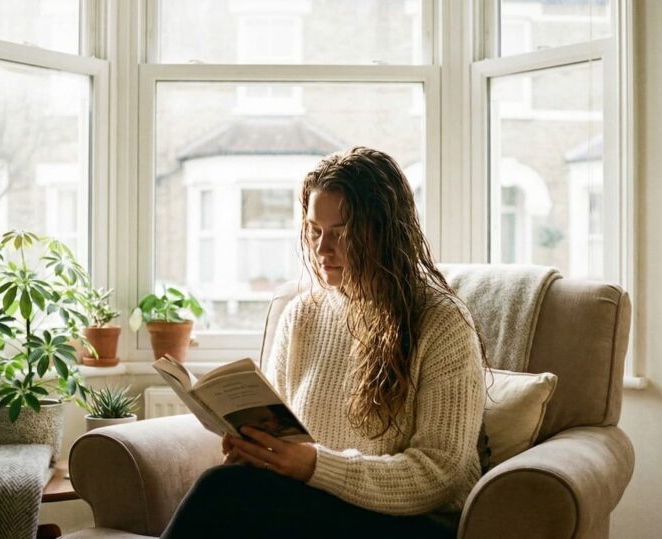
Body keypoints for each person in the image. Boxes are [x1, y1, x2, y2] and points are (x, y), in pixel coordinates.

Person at [160, 147, 486, 539]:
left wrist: (315, 466)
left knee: (222, 491)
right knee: (232, 489)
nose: (321, 248)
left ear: (383, 231)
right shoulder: (302, 315)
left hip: (414, 524)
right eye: (315, 230)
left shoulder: (441, 322)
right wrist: (257, 450)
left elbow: (440, 473)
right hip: (316, 508)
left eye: (341, 233)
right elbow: (286, 437)